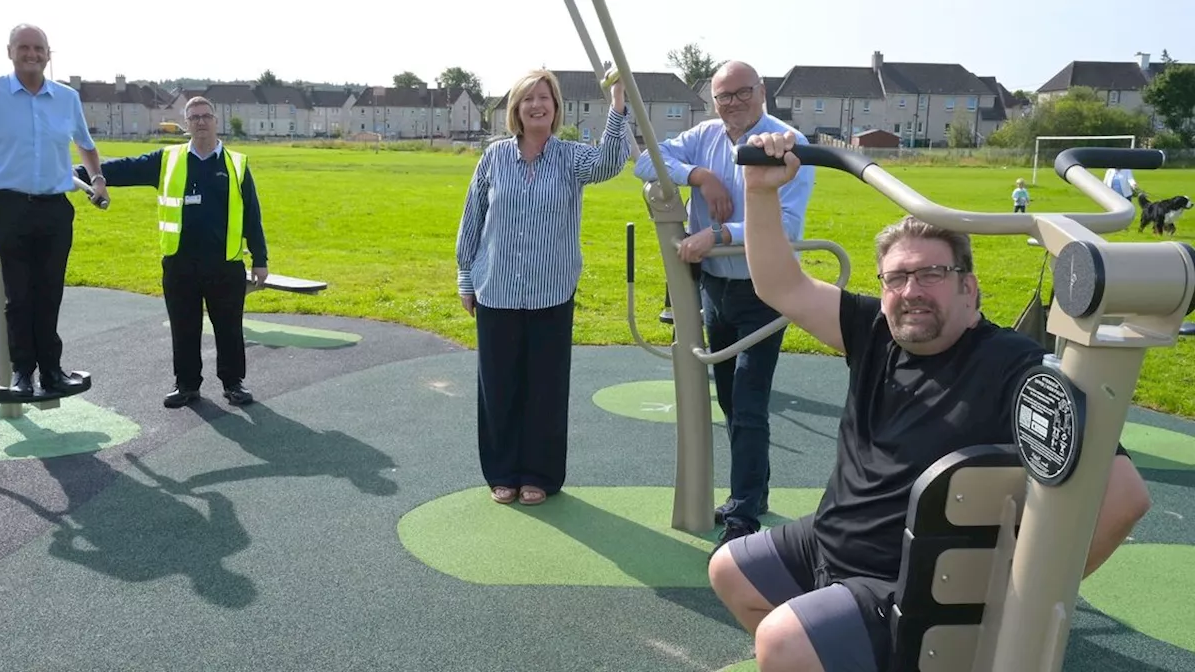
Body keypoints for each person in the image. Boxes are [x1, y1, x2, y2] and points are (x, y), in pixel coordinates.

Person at [707, 130, 1153, 672]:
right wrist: (759, 192)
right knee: (729, 568)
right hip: (831, 543)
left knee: (783, 640)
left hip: (909, 582)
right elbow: (782, 285)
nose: (911, 290)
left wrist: (1021, 605)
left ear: (970, 288)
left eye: (931, 274)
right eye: (897, 277)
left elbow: (1124, 497)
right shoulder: (874, 330)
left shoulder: (1013, 366)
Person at [634, 61, 816, 548]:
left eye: (741, 93)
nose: (732, 104)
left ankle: (742, 516)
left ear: (762, 93)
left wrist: (716, 234)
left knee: (751, 402)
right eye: (722, 97)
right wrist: (700, 177)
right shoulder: (706, 136)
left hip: (764, 289)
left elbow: (790, 228)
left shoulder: (785, 142)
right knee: (732, 400)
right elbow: (643, 162)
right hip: (716, 289)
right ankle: (753, 493)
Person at [455, 69, 629, 506]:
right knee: (499, 388)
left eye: (545, 98)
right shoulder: (493, 158)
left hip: (551, 292)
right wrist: (465, 276)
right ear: (515, 108)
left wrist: (617, 107)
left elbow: (610, 161)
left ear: (556, 108)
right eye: (528, 98)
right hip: (496, 290)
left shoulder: (570, 157)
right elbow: (473, 217)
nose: (537, 105)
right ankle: (503, 472)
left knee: (546, 389)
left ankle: (540, 474)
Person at [0, 24, 109, 396]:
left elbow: (86, 145)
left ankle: (52, 372)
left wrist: (97, 179)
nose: (32, 54)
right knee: (19, 295)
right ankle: (22, 375)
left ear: (49, 54)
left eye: (39, 48)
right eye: (24, 48)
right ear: (10, 52)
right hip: (9, 206)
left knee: (49, 292)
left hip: (55, 208)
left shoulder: (66, 98)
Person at [74, 96, 268, 408]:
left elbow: (252, 216)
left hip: (225, 263)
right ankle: (187, 385)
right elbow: (124, 170)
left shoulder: (236, 164)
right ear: (186, 124)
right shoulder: (168, 160)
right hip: (180, 263)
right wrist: (81, 174)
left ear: (216, 120)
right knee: (184, 326)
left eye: (206, 116)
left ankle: (234, 384)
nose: (201, 122)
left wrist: (260, 259)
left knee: (229, 328)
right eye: (194, 117)